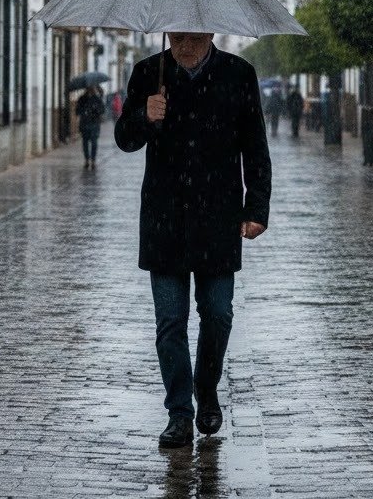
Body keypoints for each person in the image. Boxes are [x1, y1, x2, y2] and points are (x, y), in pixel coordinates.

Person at [115, 31, 271, 450]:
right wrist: (144, 116)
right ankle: (179, 413)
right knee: (170, 321)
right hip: (164, 219)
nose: (184, 43)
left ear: (211, 33)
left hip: (218, 218)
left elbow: (255, 145)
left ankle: (207, 387)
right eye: (177, 35)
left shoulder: (238, 74)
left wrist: (256, 207)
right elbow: (125, 140)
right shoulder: (150, 72)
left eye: (193, 36)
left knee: (218, 313)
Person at [75, 86, 105, 168]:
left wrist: (96, 110)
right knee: (85, 142)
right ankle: (87, 159)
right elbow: (77, 111)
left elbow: (102, 110)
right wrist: (82, 112)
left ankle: (93, 160)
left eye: (92, 88)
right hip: (84, 123)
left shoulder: (97, 99)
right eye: (89, 88)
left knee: (94, 142)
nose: (91, 89)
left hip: (94, 123)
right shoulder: (82, 99)